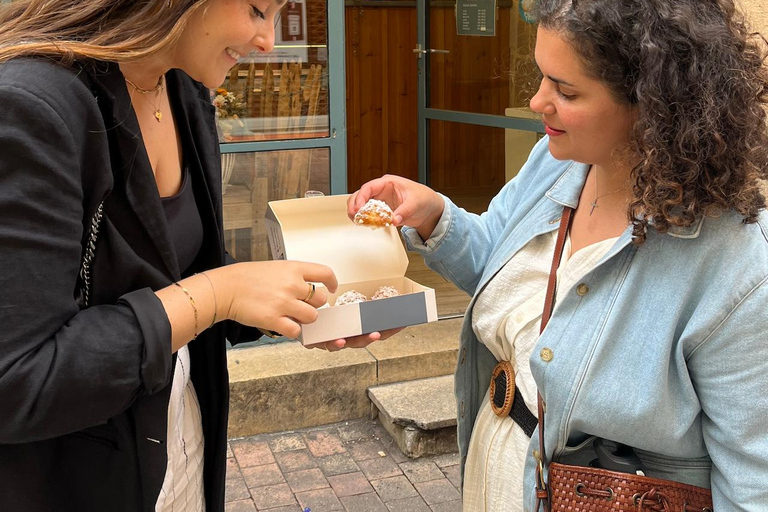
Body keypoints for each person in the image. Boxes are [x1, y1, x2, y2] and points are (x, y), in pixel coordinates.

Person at [348, 0, 768, 510]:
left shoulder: (739, 266)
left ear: (654, 105)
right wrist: (434, 215)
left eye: (565, 90)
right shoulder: (555, 164)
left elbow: (753, 484)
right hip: (496, 480)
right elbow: (498, 266)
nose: (535, 101)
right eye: (542, 76)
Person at [0, 1, 380, 510]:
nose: (268, 40)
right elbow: (19, 379)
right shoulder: (31, 106)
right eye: (256, 9)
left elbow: (183, 274)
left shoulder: (182, 90)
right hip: (77, 481)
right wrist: (219, 294)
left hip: (182, 447)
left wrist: (298, 308)